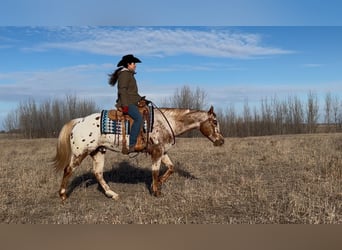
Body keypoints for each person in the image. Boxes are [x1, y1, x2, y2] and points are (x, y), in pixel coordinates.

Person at [108, 54, 144, 153]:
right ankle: (132, 144)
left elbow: (132, 93)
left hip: (131, 101)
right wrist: (125, 106)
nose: (135, 65)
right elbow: (122, 90)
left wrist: (141, 98)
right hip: (127, 103)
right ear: (128, 64)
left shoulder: (129, 74)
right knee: (138, 118)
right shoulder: (124, 74)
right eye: (134, 63)